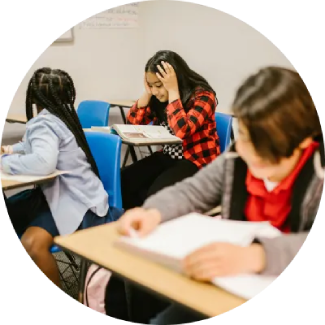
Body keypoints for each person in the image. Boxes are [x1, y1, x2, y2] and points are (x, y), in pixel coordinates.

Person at [114, 66, 325, 324]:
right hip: (232, 286)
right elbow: (191, 191)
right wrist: (152, 212)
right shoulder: (238, 160)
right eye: (247, 137)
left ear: (304, 140)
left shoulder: (318, 171)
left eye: (270, 147)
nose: (254, 155)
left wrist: (257, 256)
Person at [0, 68, 121, 293]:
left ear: (34, 97)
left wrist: (5, 162)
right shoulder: (62, 114)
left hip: (76, 201)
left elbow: (44, 162)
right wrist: (8, 149)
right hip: (66, 193)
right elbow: (31, 145)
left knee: (31, 244)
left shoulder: (45, 122)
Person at [121, 50, 221, 210]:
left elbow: (183, 131)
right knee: (123, 180)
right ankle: (141, 218)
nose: (155, 91)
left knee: (156, 195)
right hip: (169, 155)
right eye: (151, 85)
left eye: (159, 86)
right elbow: (132, 123)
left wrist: (173, 91)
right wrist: (147, 94)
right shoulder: (157, 96)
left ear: (175, 80)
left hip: (195, 160)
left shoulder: (203, 96)